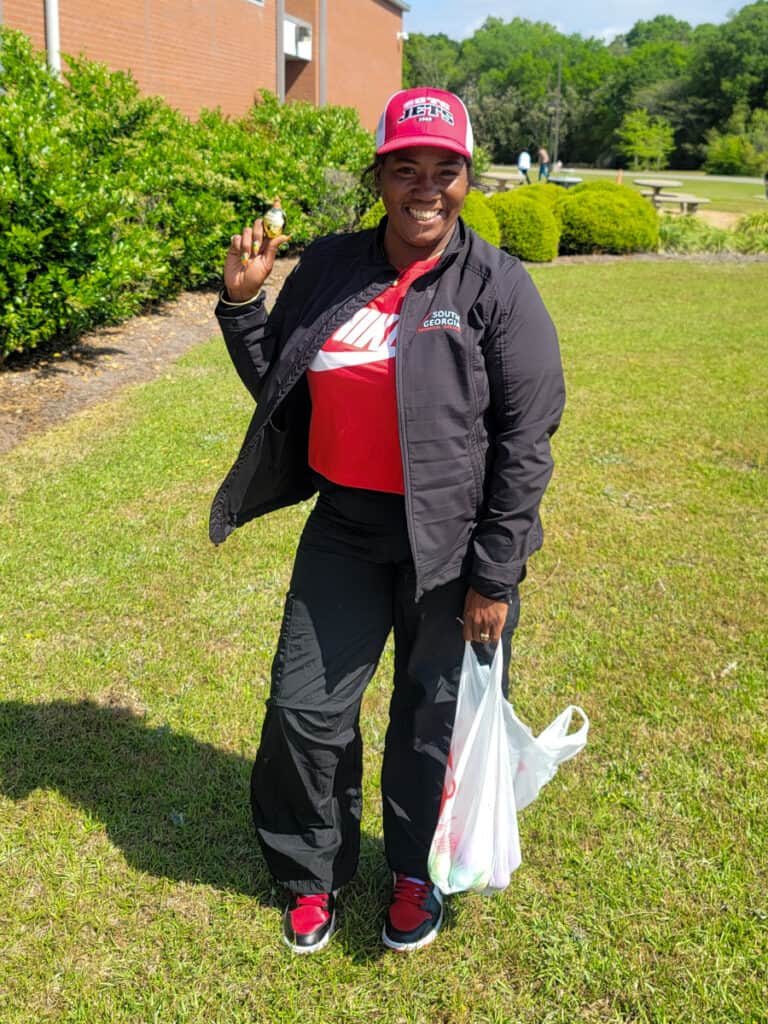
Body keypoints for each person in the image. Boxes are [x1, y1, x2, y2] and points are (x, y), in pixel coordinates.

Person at [210, 87, 564, 955]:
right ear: (379, 176)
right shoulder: (332, 266)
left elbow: (527, 439)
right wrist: (243, 309)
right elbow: (286, 387)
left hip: (453, 541)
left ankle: (417, 871)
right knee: (304, 710)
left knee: (431, 719)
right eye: (406, 167)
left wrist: (496, 574)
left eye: (445, 170)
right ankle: (311, 873)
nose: (426, 187)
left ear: (468, 180)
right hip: (347, 527)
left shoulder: (496, 286)